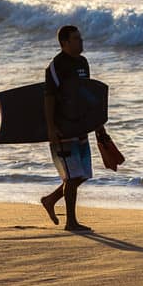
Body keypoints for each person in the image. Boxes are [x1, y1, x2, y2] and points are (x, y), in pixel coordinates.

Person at [41, 23, 101, 232]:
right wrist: (51, 128)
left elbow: (87, 94)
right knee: (73, 176)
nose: (81, 41)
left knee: (82, 174)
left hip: (80, 126)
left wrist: (98, 127)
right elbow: (48, 97)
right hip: (63, 128)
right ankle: (71, 222)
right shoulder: (56, 66)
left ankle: (50, 200)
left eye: (80, 37)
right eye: (76, 38)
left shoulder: (83, 63)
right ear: (64, 43)